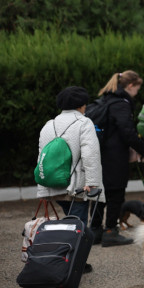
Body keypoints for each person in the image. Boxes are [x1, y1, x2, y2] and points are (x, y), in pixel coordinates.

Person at [37, 86, 105, 272]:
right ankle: (72, 264)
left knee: (68, 222)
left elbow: (42, 156)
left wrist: (42, 185)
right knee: (77, 226)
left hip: (54, 184)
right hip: (77, 186)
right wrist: (92, 182)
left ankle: (64, 259)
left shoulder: (48, 124)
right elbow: (90, 154)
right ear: (82, 105)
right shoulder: (84, 123)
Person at [90, 71, 144, 247]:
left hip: (99, 154)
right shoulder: (121, 103)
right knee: (115, 194)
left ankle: (95, 231)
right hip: (115, 156)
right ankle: (110, 231)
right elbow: (128, 132)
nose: (137, 93)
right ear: (130, 86)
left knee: (99, 193)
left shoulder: (106, 100)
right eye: (137, 88)